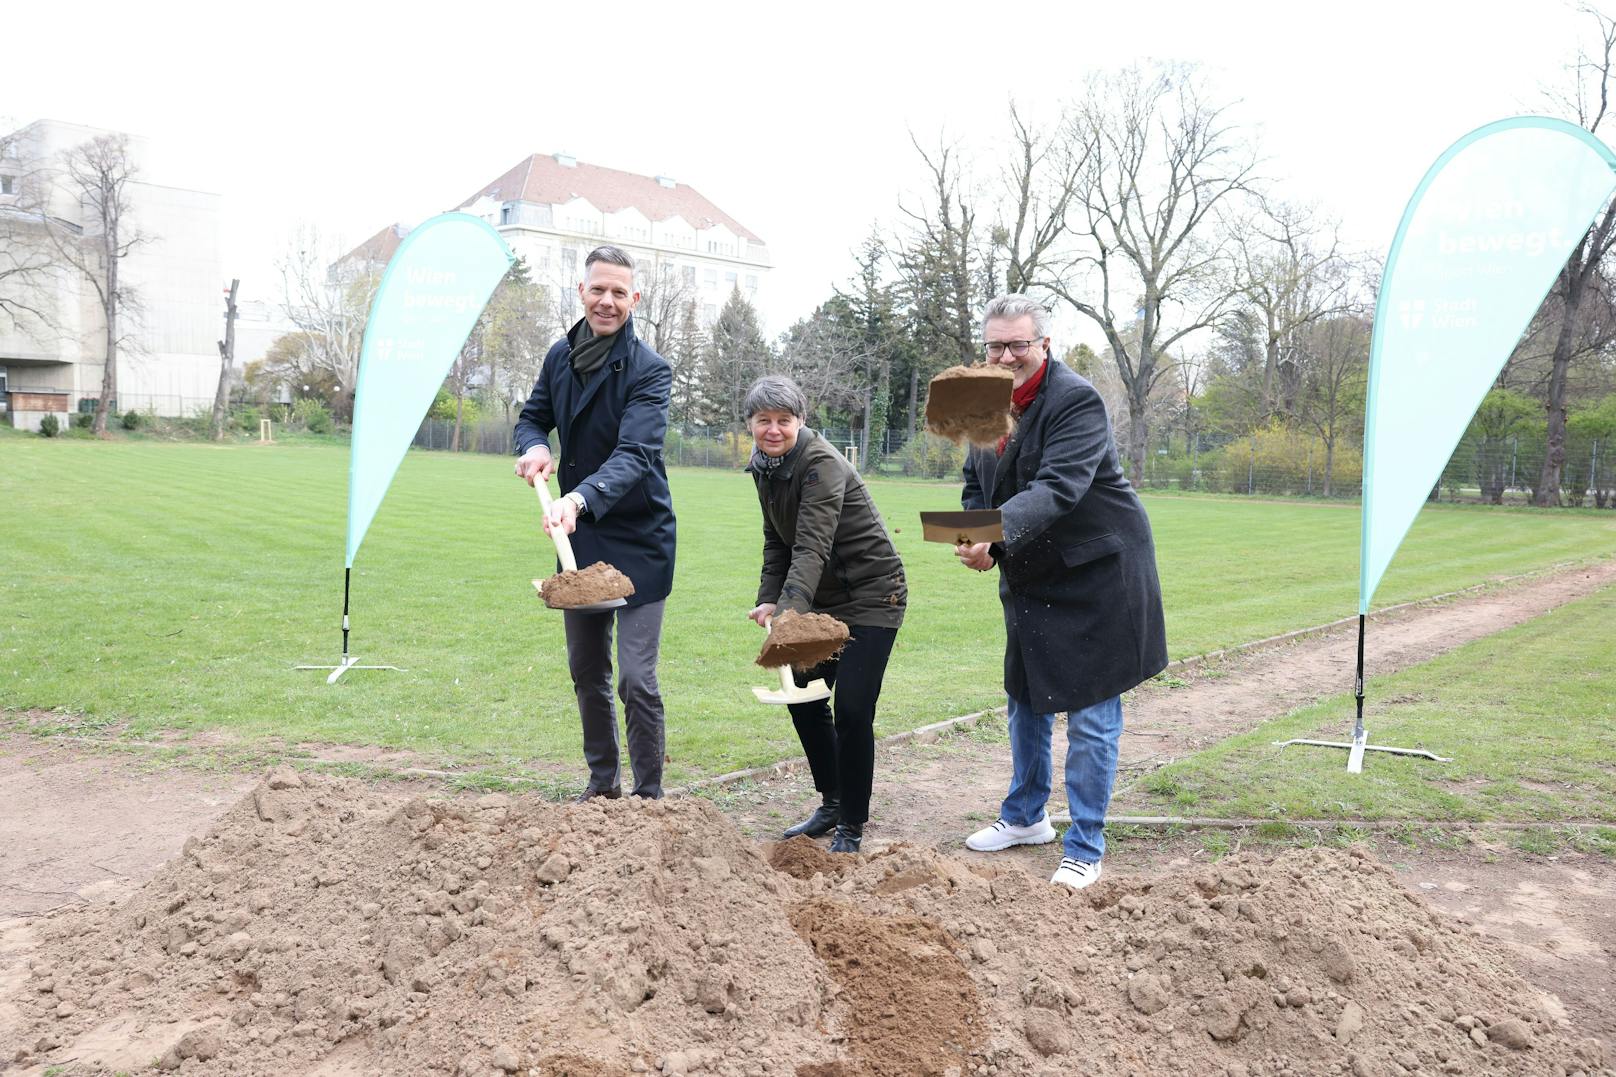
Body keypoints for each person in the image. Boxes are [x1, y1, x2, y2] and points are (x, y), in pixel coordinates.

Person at [956, 293, 1167, 890]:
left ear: (1043, 344)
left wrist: (993, 541)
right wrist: (973, 533)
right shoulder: (980, 401)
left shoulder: (1076, 400)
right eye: (995, 345)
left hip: (1098, 571)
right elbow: (977, 481)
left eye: (1018, 345)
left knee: (1093, 712)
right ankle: (1025, 818)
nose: (1005, 356)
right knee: (1024, 695)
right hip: (1032, 569)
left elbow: (1058, 489)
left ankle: (1086, 844)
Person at [514, 245, 676, 800]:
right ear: (581, 292)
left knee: (635, 677)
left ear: (635, 298)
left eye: (619, 292)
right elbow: (534, 415)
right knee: (587, 670)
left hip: (637, 534)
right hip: (579, 536)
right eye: (597, 289)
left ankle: (649, 795)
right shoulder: (559, 356)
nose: (607, 301)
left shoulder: (650, 370)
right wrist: (535, 447)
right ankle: (602, 784)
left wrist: (578, 499)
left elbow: (635, 453)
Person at [744, 375, 906, 853]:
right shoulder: (763, 466)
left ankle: (853, 823)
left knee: (852, 710)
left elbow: (812, 545)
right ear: (751, 423)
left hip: (874, 594)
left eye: (784, 421)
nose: (773, 430)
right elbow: (779, 540)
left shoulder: (821, 464)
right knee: (803, 696)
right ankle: (832, 801)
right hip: (821, 597)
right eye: (763, 421)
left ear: (801, 421)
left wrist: (791, 616)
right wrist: (771, 597)